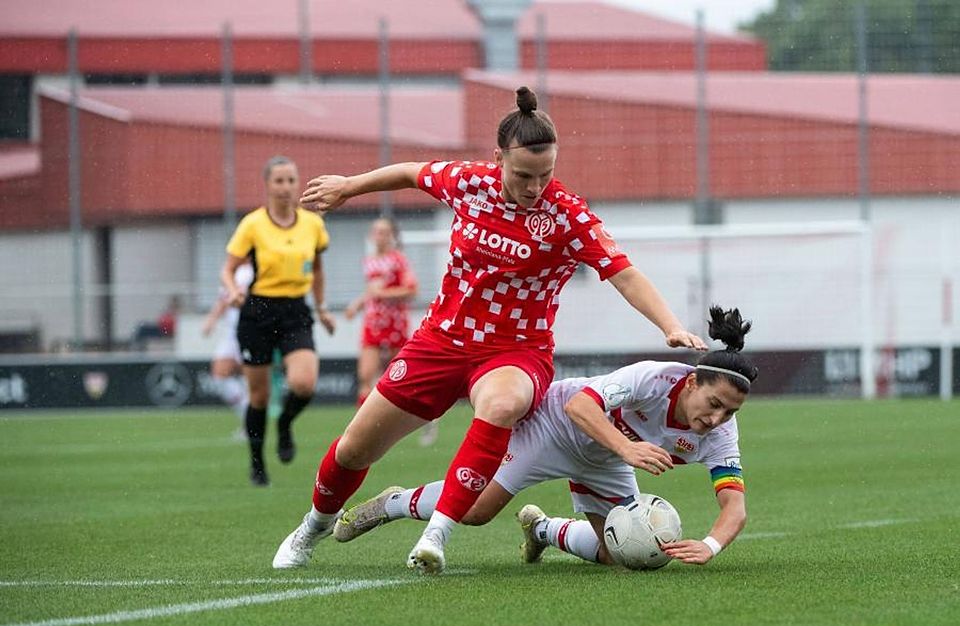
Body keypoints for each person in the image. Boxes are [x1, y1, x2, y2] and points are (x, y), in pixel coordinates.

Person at [272, 86, 706, 574]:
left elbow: (623, 273)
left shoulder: (567, 215)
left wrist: (671, 325)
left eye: (545, 174)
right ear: (497, 158)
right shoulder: (468, 182)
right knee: (354, 448)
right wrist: (350, 186)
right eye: (523, 174)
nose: (535, 186)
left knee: (502, 404)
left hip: (515, 352)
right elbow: (410, 172)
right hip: (440, 341)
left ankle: (436, 534)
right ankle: (312, 527)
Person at [334, 306, 755, 568]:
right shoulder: (654, 378)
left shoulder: (720, 435)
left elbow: (734, 507)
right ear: (694, 381)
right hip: (553, 426)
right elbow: (580, 408)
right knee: (478, 510)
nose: (718, 418)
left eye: (730, 412)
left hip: (602, 459)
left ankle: (542, 530)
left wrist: (710, 546)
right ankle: (391, 503)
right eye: (714, 403)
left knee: (619, 554)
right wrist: (627, 448)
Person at [220, 156, 336, 487]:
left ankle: (285, 424)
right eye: (279, 181)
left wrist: (323, 307)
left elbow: (316, 270)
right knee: (258, 396)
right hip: (257, 311)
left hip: (295, 312)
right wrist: (232, 291)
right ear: (268, 185)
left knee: (304, 383)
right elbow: (228, 268)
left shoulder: (312, 225)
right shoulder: (253, 224)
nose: (285, 187)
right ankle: (257, 462)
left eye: (290, 180)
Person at [344, 217, 438, 447]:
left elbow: (411, 289)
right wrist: (357, 304)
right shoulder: (368, 261)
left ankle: (427, 418)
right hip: (373, 323)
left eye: (385, 232)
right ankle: (362, 431)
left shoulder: (399, 260)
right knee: (366, 376)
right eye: (376, 231)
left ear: (392, 236)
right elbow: (371, 290)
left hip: (394, 323)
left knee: (405, 377)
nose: (380, 236)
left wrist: (383, 294)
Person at [202, 261, 255, 436]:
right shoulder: (232, 271)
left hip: (249, 331)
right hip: (232, 333)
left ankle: (251, 424)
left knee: (251, 380)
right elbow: (224, 300)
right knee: (220, 375)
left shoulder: (252, 272)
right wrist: (211, 321)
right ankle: (248, 419)